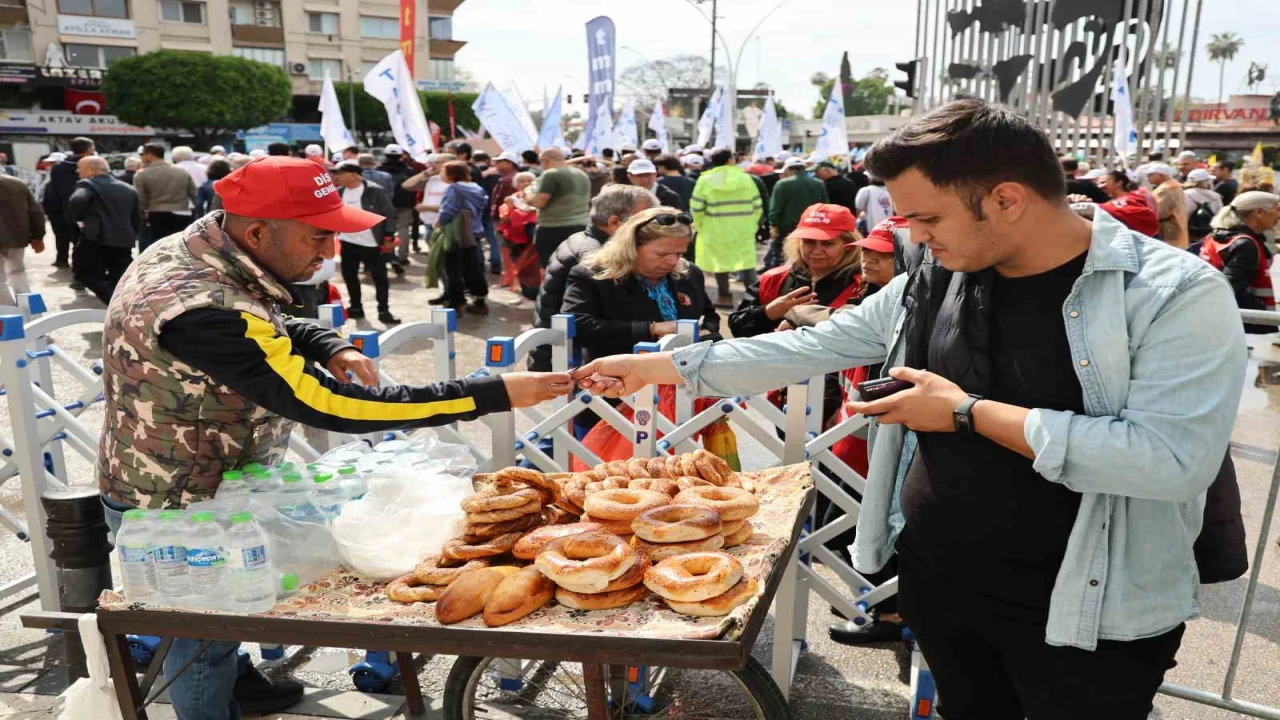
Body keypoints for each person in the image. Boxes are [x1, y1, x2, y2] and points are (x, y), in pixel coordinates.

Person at [573, 98, 1246, 720]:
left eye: (927, 218)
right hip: (940, 582)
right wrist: (660, 367)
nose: (913, 238)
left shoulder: (1171, 293)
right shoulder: (940, 274)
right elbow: (827, 341)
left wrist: (966, 413)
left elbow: (1169, 461)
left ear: (1007, 199)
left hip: (1088, 613)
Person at [98, 155, 572, 720]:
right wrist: (489, 393)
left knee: (227, 607)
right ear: (257, 231)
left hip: (214, 477)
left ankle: (240, 687)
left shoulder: (210, 250)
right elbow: (330, 404)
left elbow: (266, 323)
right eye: (319, 237)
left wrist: (327, 343)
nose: (329, 253)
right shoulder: (201, 307)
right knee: (199, 637)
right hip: (174, 498)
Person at [562, 205, 721, 369]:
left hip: (686, 379)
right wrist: (651, 329)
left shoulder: (689, 273)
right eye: (662, 254)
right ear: (631, 247)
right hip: (619, 381)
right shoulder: (594, 275)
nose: (672, 261)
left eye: (679, 253)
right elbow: (579, 326)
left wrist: (707, 333)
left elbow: (708, 314)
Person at [530, 184, 656, 372]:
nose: (654, 228)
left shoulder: (585, 240)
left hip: (565, 352)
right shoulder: (596, 256)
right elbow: (592, 321)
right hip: (579, 363)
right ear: (615, 222)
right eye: (645, 220)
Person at [691, 148, 763, 307]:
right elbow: (757, 206)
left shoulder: (705, 180)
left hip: (715, 230)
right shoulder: (746, 179)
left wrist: (701, 226)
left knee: (719, 263)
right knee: (746, 263)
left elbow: (696, 208)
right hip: (742, 229)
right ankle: (755, 298)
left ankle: (724, 296)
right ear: (730, 160)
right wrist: (752, 224)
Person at [1198, 191, 1279, 332]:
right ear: (1259, 212)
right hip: (1228, 321)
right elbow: (1231, 289)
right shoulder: (1244, 245)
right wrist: (1257, 312)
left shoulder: (1217, 236)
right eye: (1277, 209)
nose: (1278, 215)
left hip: (1213, 315)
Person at [331, 161, 399, 325]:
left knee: (380, 278)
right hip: (348, 242)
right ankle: (356, 307)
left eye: (340, 173)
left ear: (354, 175)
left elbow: (389, 214)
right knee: (349, 276)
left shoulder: (374, 191)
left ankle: (384, 310)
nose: (336, 176)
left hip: (372, 243)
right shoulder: (339, 192)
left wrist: (389, 236)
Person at [67, 156, 142, 304]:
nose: (77, 171)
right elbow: (137, 217)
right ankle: (121, 306)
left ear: (92, 170)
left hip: (96, 238)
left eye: (80, 168)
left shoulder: (87, 185)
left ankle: (113, 303)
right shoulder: (128, 188)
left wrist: (82, 221)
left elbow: (77, 200)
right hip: (124, 240)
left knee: (84, 272)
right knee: (119, 277)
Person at [431, 160, 490, 314]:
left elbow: (448, 210)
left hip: (456, 234)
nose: (441, 175)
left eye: (443, 172)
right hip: (473, 233)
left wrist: (438, 222)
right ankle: (479, 300)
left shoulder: (454, 189)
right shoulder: (477, 188)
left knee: (453, 269)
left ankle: (455, 303)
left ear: (451, 175)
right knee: (473, 267)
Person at [529, 148, 592, 266]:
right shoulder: (582, 174)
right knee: (576, 267)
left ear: (545, 161)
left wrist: (527, 195)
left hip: (553, 228)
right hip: (581, 227)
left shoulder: (550, 174)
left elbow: (539, 203)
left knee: (552, 269)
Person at [765, 157, 829, 270]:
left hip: (788, 228)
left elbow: (776, 208)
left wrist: (773, 225)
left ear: (788, 169)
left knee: (784, 259)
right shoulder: (819, 183)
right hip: (813, 226)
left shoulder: (782, 184)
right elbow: (825, 206)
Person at [135, 143, 197, 252]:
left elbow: (141, 199)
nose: (141, 157)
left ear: (150, 155)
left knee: (158, 247)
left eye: (142, 154)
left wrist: (143, 212)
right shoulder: (181, 171)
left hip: (156, 213)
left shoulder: (142, 174)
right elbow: (193, 192)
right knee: (180, 247)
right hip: (182, 212)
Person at [42, 136, 94, 268]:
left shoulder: (58, 168)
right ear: (89, 149)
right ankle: (85, 271)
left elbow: (54, 192)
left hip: (65, 211)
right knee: (86, 243)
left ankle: (76, 271)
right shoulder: (93, 164)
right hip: (89, 211)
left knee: (70, 240)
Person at [0, 171, 45, 305]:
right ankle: (28, 309)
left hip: (15, 237)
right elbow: (36, 212)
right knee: (18, 272)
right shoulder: (17, 183)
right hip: (17, 238)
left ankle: (10, 313)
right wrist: (38, 236)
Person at [496, 171, 542, 298]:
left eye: (529, 181)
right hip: (515, 238)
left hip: (532, 237)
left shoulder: (539, 197)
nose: (526, 183)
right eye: (522, 181)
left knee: (533, 266)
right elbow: (504, 217)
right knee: (518, 265)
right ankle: (525, 292)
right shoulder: (511, 198)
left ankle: (533, 293)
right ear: (516, 184)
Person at [376, 144, 417, 271]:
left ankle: (389, 256)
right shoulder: (408, 170)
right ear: (401, 155)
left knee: (386, 231)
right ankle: (402, 256)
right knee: (403, 230)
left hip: (385, 205)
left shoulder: (379, 170)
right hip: (405, 205)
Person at [1148, 163, 1189, 248]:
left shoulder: (1166, 189)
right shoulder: (1174, 186)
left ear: (1161, 175)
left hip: (1168, 230)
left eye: (1150, 175)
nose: (1148, 177)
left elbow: (1160, 212)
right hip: (1175, 226)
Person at [1183, 167, 1224, 245]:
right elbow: (1219, 215)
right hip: (1207, 234)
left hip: (1187, 234)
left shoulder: (1185, 194)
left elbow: (1182, 215)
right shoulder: (1215, 197)